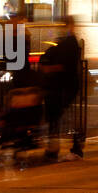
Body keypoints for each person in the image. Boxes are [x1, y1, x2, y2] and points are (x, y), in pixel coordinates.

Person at [39, 17, 84, 159]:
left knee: (59, 117)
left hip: (65, 85)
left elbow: (64, 64)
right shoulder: (66, 42)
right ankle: (68, 146)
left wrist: (50, 68)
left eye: (66, 25)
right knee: (60, 117)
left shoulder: (69, 43)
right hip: (63, 85)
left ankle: (63, 146)